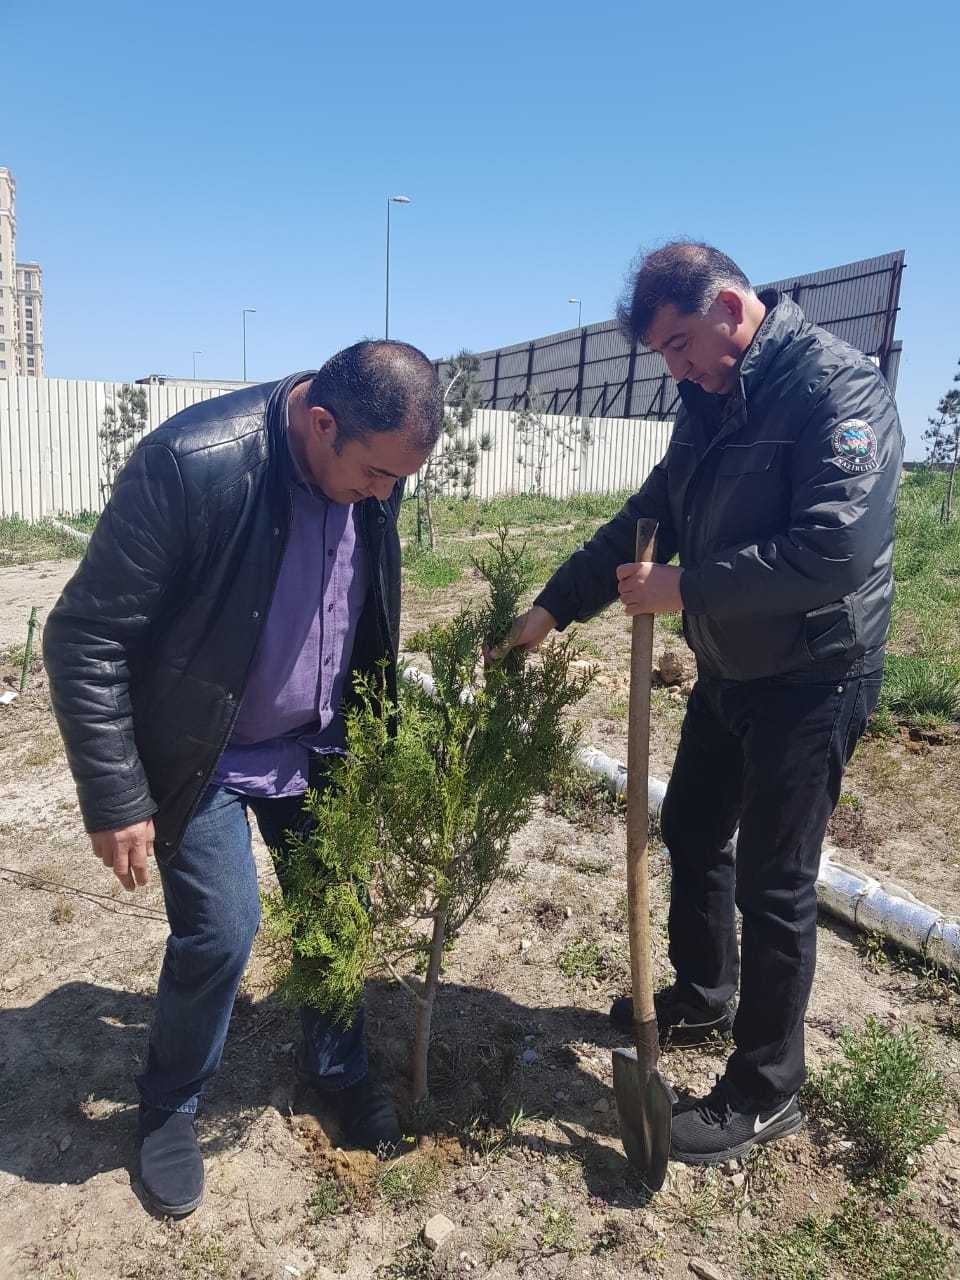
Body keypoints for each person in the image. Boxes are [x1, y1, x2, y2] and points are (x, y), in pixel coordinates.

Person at [496, 242, 903, 1165]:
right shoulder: (708, 402)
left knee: (776, 879)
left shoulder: (838, 393)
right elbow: (649, 514)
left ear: (729, 306)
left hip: (814, 672)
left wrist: (686, 588)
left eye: (681, 345)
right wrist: (554, 608)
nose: (674, 369)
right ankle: (704, 993)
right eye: (664, 355)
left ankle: (766, 1090)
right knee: (689, 827)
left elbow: (834, 551)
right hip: (730, 668)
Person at [44, 340, 443, 1216]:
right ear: (321, 422)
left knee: (337, 915)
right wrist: (114, 794)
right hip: (205, 751)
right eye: (375, 475)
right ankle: (168, 1105)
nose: (384, 496)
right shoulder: (194, 465)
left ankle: (337, 1071)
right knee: (223, 931)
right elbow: (84, 637)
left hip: (319, 747)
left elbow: (364, 604)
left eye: (395, 482)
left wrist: (379, 735)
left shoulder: (374, 467)